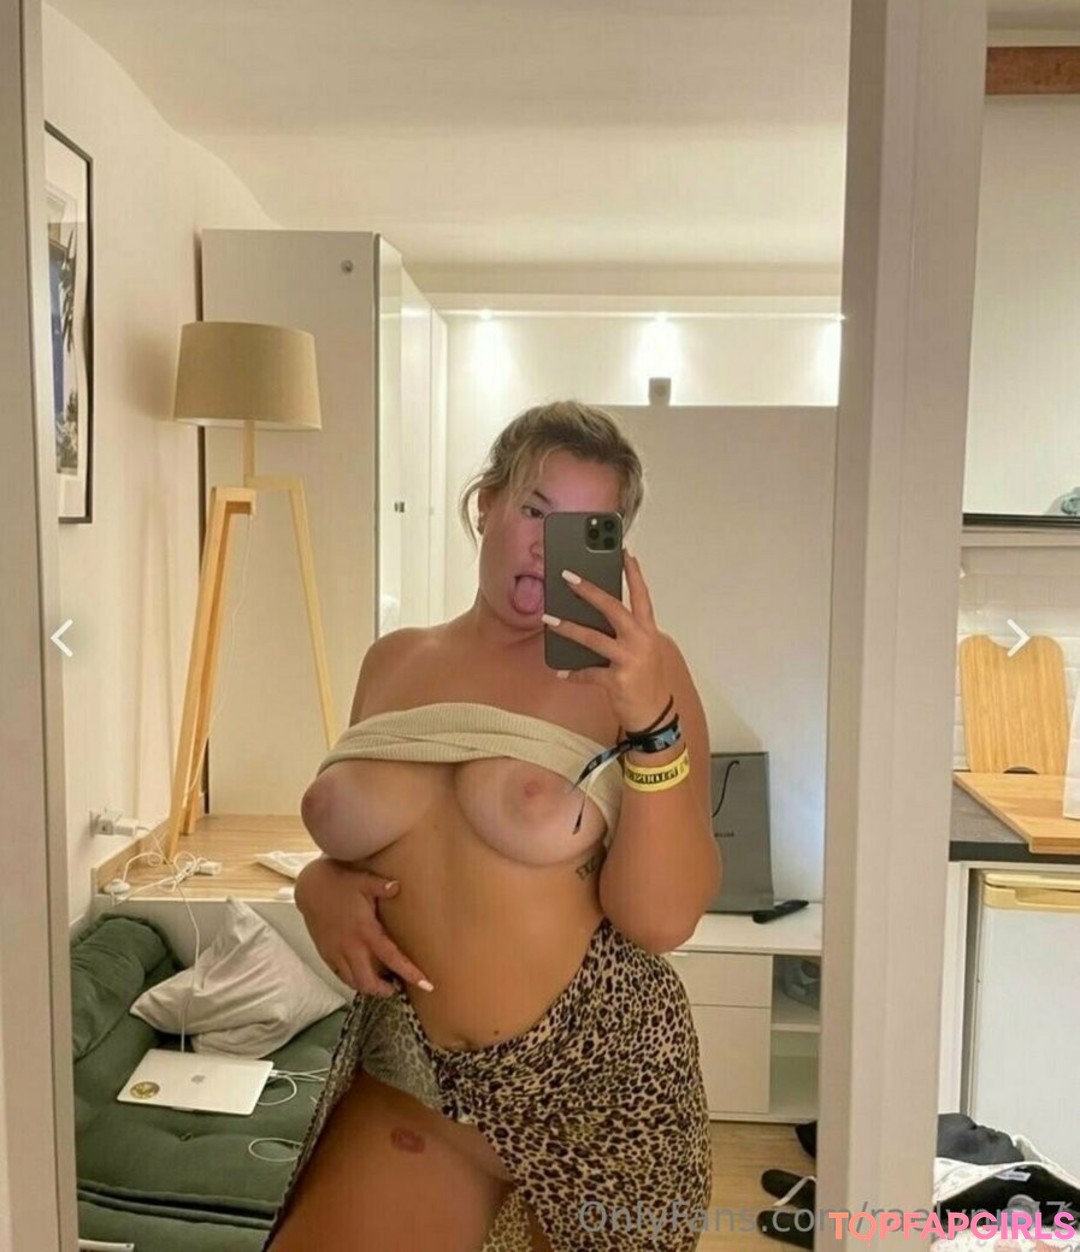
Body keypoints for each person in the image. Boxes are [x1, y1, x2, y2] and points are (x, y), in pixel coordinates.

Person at [264, 400, 722, 1252]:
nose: (549, 547)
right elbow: (398, 842)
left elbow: (662, 919)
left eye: (584, 528)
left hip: (602, 1094)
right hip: (419, 1089)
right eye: (535, 511)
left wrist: (650, 723)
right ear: (486, 504)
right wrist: (316, 884)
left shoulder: (641, 676)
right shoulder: (393, 660)